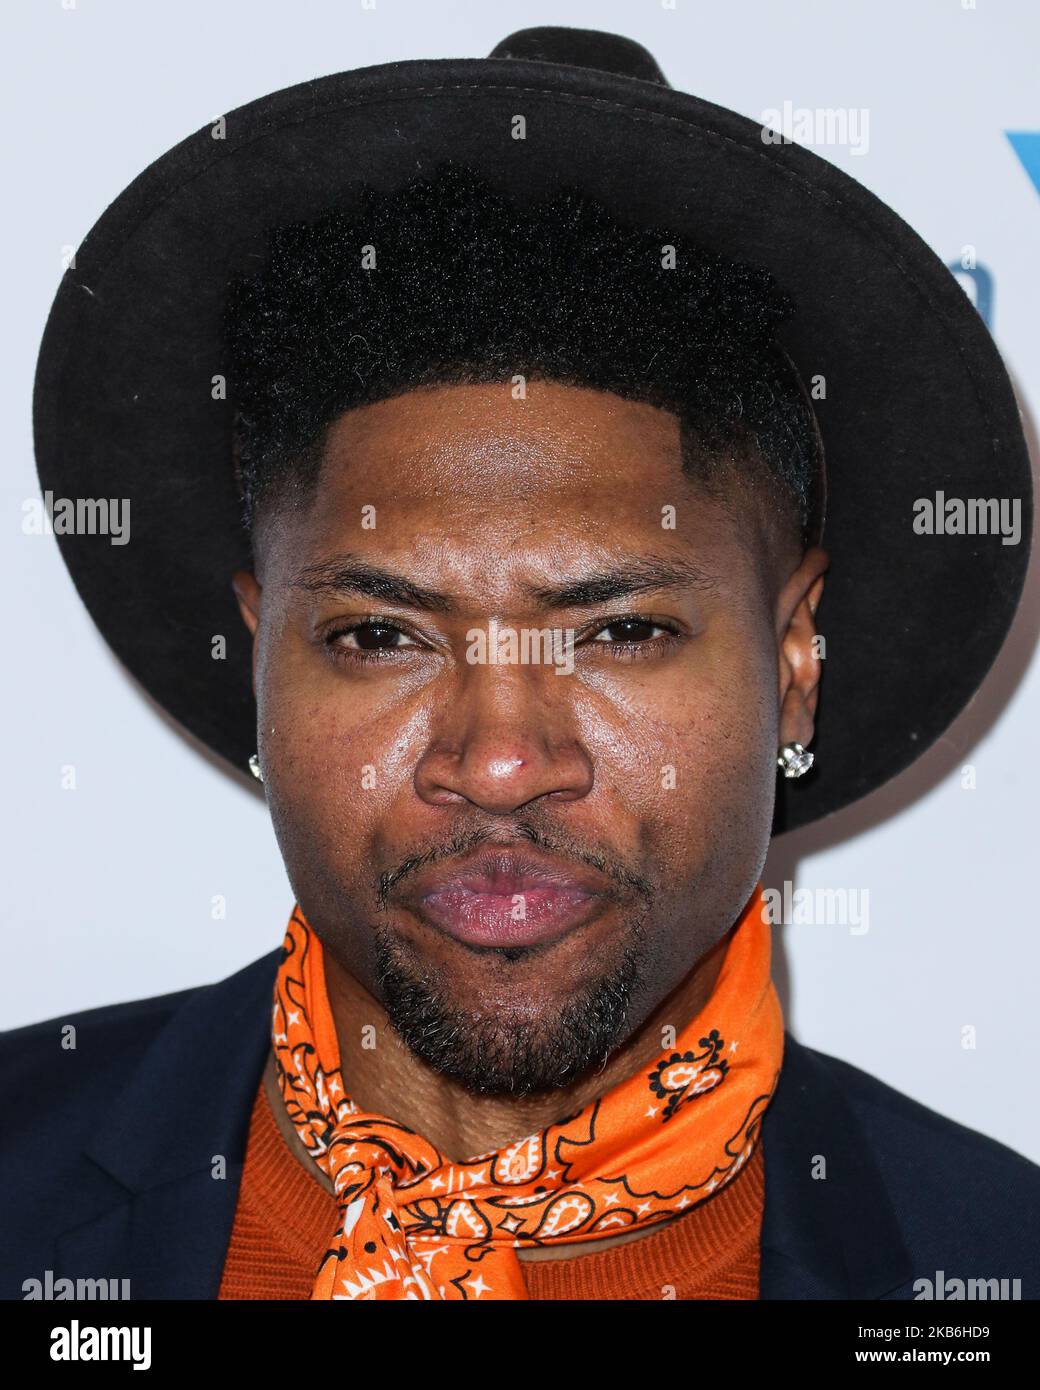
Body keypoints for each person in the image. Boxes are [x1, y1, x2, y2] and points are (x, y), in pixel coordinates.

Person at [5, 25, 1038, 1302]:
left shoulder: (987, 1268)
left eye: (620, 632)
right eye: (380, 635)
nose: (497, 764)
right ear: (261, 654)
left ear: (792, 660)